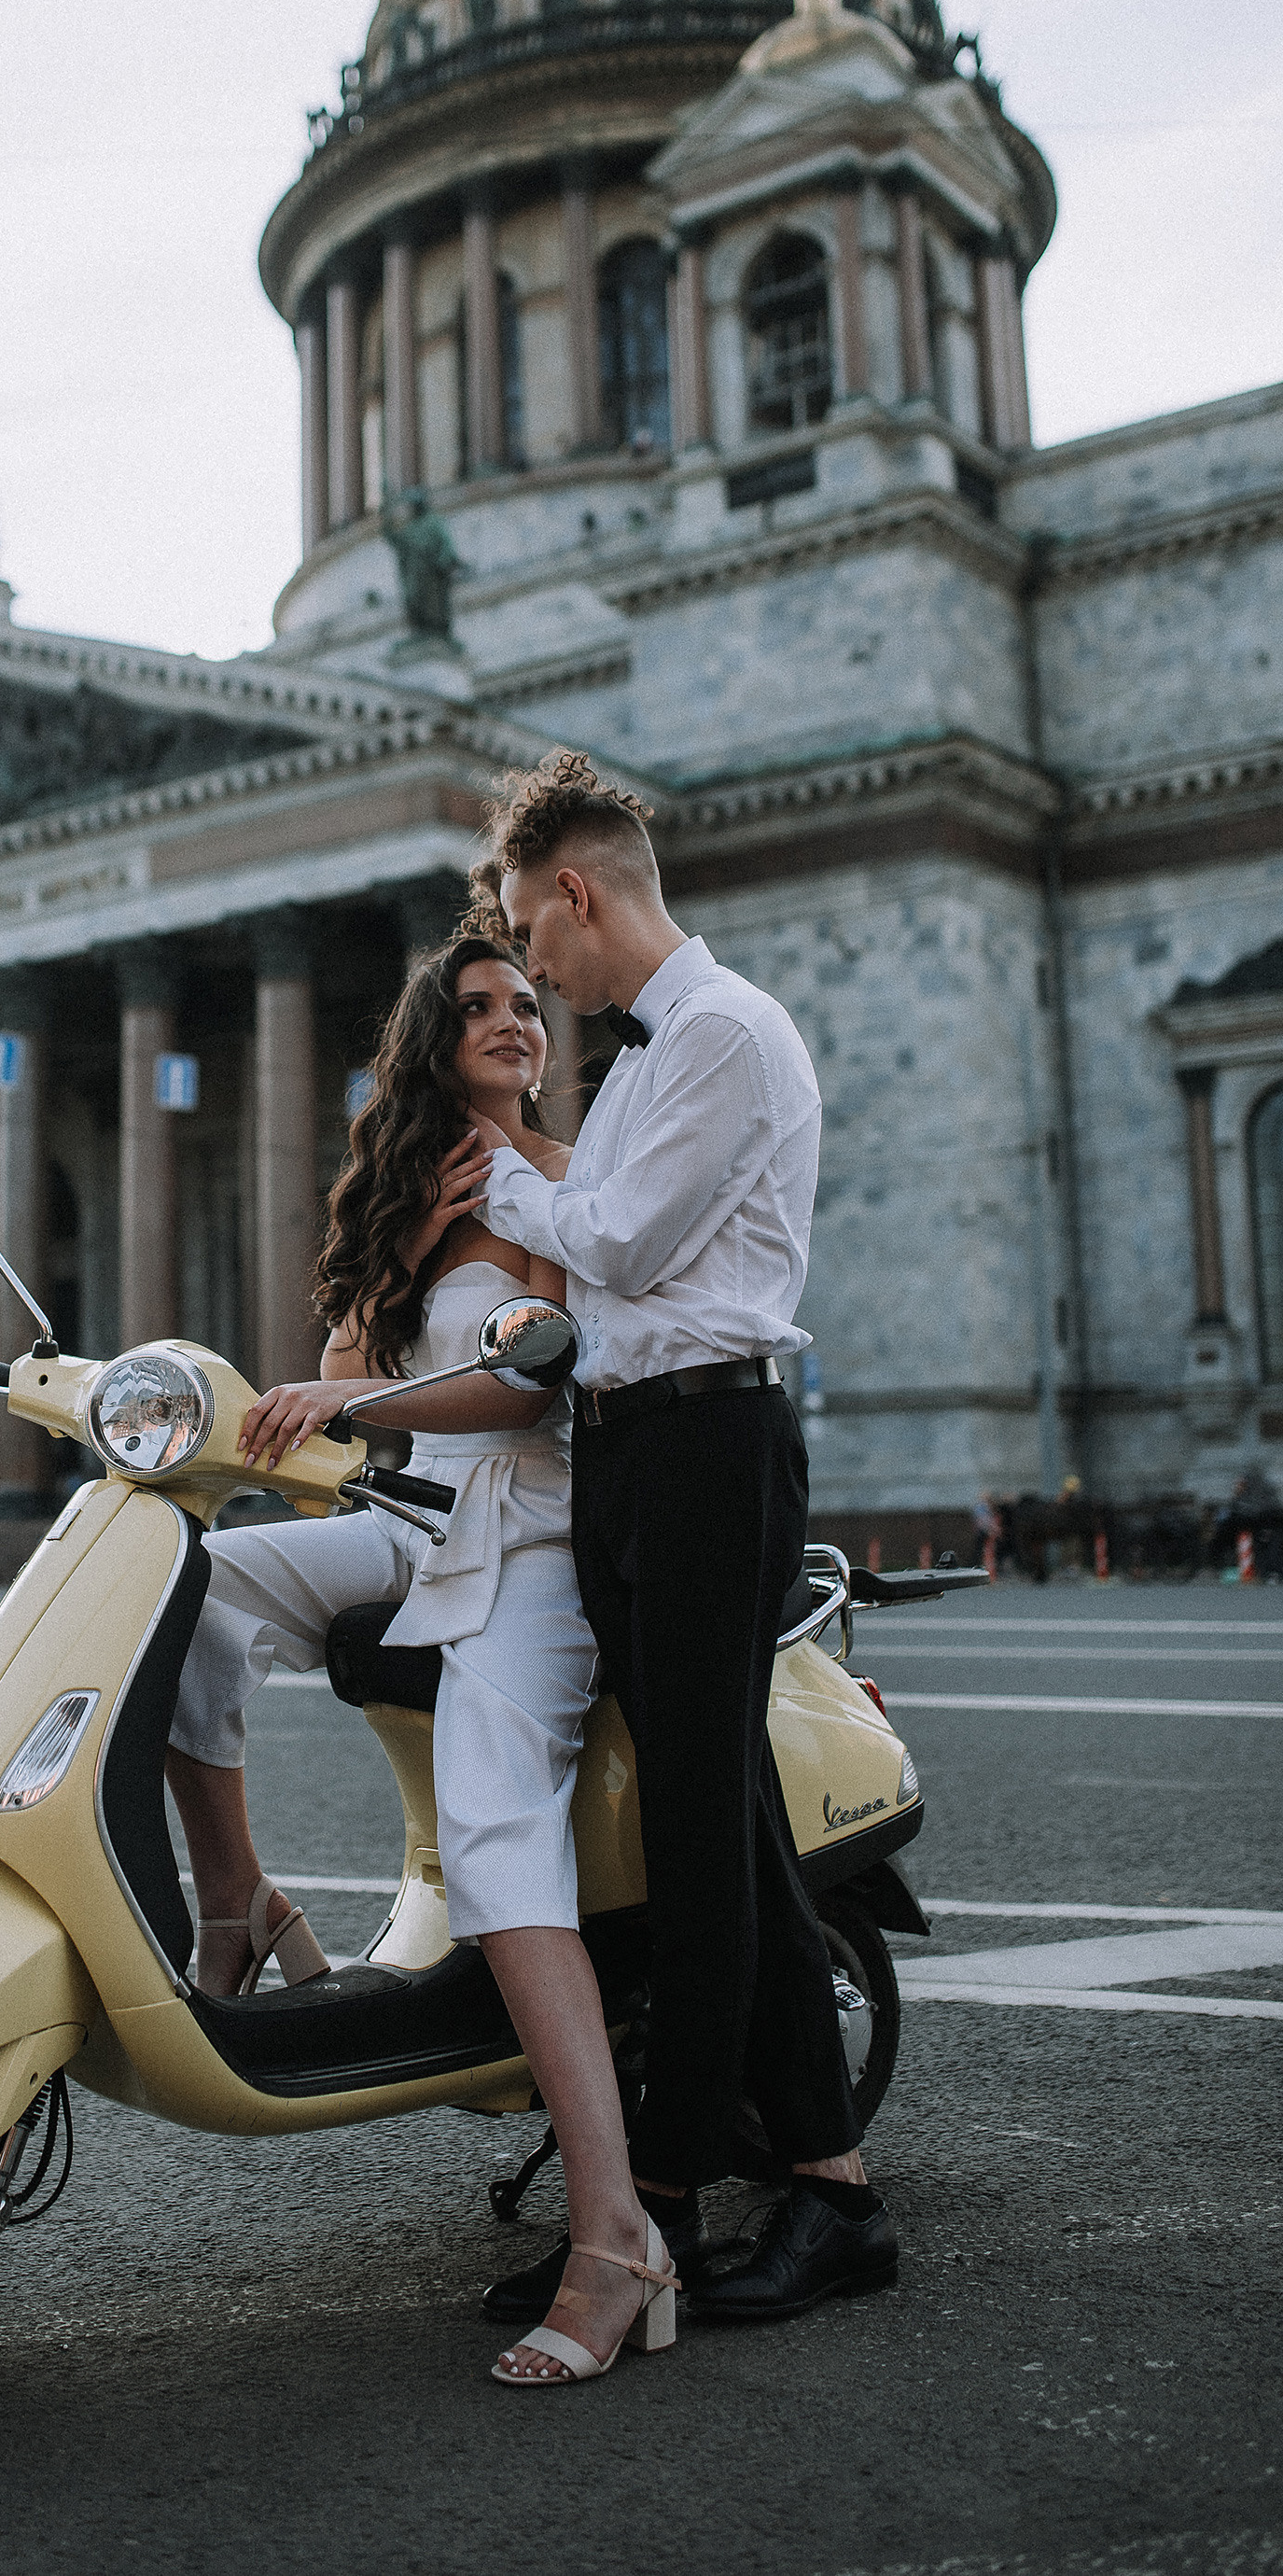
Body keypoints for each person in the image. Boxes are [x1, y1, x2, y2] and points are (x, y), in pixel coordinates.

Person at [166, 926, 688, 2385]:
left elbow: (530, 1387)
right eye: (482, 1008)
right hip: (410, 1519)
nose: (518, 1021)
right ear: (429, 1042)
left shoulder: (568, 1179)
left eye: (529, 1003)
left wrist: (356, 1392)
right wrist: (393, 1270)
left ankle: (614, 2237)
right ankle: (241, 1904)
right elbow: (354, 1386)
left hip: (529, 1529)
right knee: (184, 1596)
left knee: (493, 1822)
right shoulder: (412, 1188)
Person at [468, 748, 898, 2324]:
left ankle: (650, 2204)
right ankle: (829, 2192)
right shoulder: (645, 1060)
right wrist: (564, 1194)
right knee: (722, 1828)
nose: (537, 970)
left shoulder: (722, 1030)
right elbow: (601, 1257)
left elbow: (625, 1237)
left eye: (535, 932)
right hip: (635, 1453)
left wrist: (525, 1175)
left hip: (716, 1440)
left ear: (578, 891)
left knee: (707, 1842)